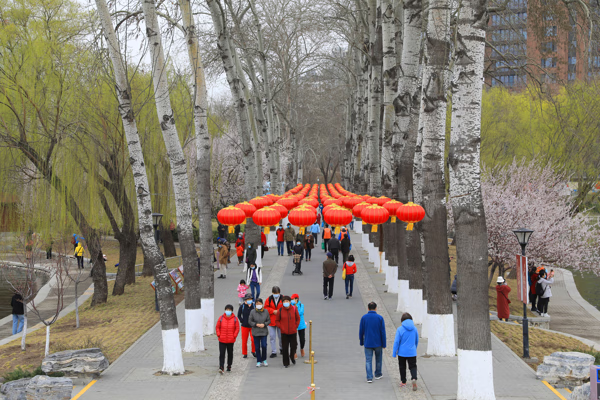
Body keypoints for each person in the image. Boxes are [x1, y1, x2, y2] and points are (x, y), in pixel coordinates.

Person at [359, 302, 386, 383]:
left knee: (368, 360)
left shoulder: (364, 318)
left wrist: (361, 341)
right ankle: (378, 374)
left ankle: (369, 377)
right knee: (378, 358)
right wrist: (384, 343)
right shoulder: (380, 318)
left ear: (368, 308)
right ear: (376, 308)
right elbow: (383, 332)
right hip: (378, 342)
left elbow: (361, 331)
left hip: (368, 342)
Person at [392, 313, 419, 391]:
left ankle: (403, 382)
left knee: (402, 367)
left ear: (402, 320)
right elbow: (416, 340)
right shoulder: (415, 329)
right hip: (412, 352)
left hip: (402, 352)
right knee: (413, 366)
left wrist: (394, 352)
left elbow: (396, 342)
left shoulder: (400, 329)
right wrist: (414, 348)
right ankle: (414, 378)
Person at [277, 296, 300, 368]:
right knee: (285, 347)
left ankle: (292, 356)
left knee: (294, 346)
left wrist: (295, 326)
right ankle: (286, 362)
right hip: (284, 333)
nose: (285, 303)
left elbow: (298, 318)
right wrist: (281, 327)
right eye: (284, 301)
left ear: (290, 302)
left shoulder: (294, 309)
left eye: (287, 301)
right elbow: (277, 320)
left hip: (293, 331)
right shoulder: (280, 310)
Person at [216, 304, 240, 374]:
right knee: (222, 353)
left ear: (232, 311)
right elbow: (217, 327)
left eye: (229, 310)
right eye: (227, 310)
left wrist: (234, 336)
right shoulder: (221, 318)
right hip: (222, 339)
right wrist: (219, 334)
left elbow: (237, 328)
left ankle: (229, 365)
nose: (228, 311)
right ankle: (221, 367)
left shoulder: (235, 319)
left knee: (230, 353)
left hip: (230, 340)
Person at [249, 298, 270, 367]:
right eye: (257, 303)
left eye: (260, 303)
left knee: (264, 346)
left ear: (262, 304)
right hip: (256, 331)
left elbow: (269, 320)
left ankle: (264, 359)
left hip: (263, 331)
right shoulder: (252, 312)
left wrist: (264, 324)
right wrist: (256, 324)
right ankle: (258, 360)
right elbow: (250, 321)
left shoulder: (266, 311)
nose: (258, 305)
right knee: (257, 347)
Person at [265, 286, 283, 357]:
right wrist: (272, 311)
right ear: (272, 293)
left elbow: (285, 306)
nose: (276, 294)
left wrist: (279, 311)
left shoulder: (283, 298)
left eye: (277, 293)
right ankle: (274, 351)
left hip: (280, 320)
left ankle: (281, 348)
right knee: (272, 337)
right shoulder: (269, 299)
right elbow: (266, 307)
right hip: (271, 321)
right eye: (275, 293)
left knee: (281, 336)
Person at [237, 294, 256, 359]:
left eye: (250, 299)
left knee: (253, 339)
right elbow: (239, 315)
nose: (249, 300)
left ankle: (253, 351)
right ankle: (245, 353)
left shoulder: (254, 306)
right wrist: (242, 320)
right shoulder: (242, 306)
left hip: (253, 326)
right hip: (244, 326)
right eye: (248, 299)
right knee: (244, 340)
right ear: (245, 300)